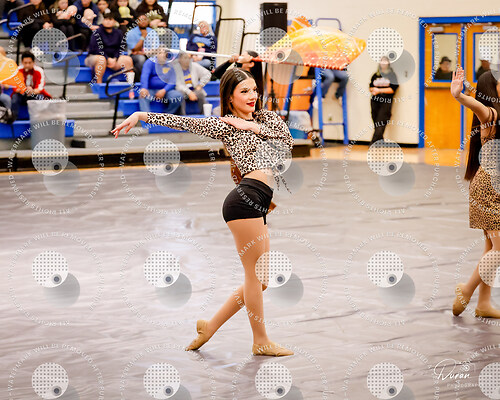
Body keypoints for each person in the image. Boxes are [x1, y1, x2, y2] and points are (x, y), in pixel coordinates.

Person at [112, 68, 295, 356]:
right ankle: (260, 341)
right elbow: (185, 122)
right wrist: (141, 115)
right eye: (244, 91)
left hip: (260, 201)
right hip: (245, 200)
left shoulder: (267, 119)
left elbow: (287, 141)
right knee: (253, 276)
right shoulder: (225, 125)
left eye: (254, 90)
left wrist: (252, 128)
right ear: (230, 98)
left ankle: (209, 327)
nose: (252, 95)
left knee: (261, 281)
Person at [451, 67, 500, 319]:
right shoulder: (491, 115)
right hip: (488, 189)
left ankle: (483, 303)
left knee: (491, 247)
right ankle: (467, 289)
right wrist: (459, 96)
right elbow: (477, 107)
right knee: (499, 249)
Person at [85, 12, 134, 85]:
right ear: (103, 21)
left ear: (114, 22)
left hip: (112, 59)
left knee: (128, 59)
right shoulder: (97, 32)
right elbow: (96, 49)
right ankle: (99, 85)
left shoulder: (119, 33)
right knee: (101, 59)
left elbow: (120, 48)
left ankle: (130, 86)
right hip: (93, 58)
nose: (108, 21)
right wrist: (107, 59)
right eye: (106, 19)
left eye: (110, 19)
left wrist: (115, 58)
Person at [11, 51, 52, 121]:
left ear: (33, 62)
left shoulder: (39, 71)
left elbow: (40, 88)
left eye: (29, 63)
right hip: (21, 94)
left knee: (40, 98)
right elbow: (15, 88)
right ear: (22, 62)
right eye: (25, 63)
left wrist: (32, 91)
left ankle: (39, 120)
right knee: (14, 98)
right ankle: (13, 119)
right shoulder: (17, 71)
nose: (27, 65)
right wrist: (24, 89)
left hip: (34, 94)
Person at [369, 55, 399, 144]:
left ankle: (374, 142)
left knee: (382, 120)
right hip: (375, 100)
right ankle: (379, 140)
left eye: (385, 61)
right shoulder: (375, 75)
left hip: (386, 100)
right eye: (381, 61)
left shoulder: (392, 75)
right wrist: (373, 90)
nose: (383, 63)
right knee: (375, 120)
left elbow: (393, 89)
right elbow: (371, 86)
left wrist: (379, 90)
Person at [125, 13, 153, 81]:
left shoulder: (152, 32)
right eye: (141, 20)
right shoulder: (131, 33)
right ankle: (143, 80)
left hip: (149, 53)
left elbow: (156, 48)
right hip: (134, 56)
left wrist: (145, 53)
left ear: (148, 21)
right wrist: (143, 37)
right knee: (141, 58)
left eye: (145, 19)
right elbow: (134, 49)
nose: (143, 21)